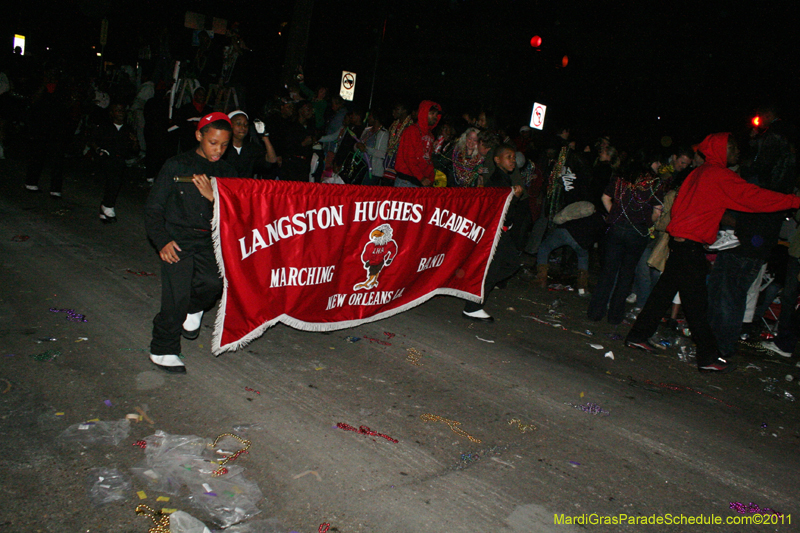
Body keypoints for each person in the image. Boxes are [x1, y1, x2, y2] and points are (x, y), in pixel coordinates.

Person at [624, 133, 800, 374]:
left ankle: (638, 335)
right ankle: (708, 356)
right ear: (721, 149)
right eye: (733, 148)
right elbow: (754, 199)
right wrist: (793, 201)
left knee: (662, 295)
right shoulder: (720, 175)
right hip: (690, 245)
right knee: (697, 305)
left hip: (680, 243)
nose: (737, 152)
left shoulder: (698, 173)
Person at [144, 112, 235, 373]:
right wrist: (162, 241)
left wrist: (213, 197)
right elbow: (153, 208)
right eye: (213, 143)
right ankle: (163, 348)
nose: (218, 150)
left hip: (209, 239)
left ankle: (194, 309)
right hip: (178, 238)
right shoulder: (176, 165)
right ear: (199, 136)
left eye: (224, 145)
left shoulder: (228, 171)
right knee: (176, 297)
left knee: (213, 284)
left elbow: (237, 214)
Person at [587, 151, 663, 324]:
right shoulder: (654, 183)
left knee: (608, 272)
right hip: (638, 233)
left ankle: (595, 312)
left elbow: (605, 198)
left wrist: (613, 215)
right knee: (626, 274)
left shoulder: (621, 177)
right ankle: (615, 317)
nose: (659, 166)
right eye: (657, 162)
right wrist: (647, 222)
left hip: (617, 228)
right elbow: (657, 210)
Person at [463, 144, 523, 322]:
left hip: (501, 231)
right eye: (508, 157)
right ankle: (472, 306)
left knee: (510, 264)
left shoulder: (504, 179)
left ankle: (475, 288)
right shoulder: (499, 181)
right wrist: (515, 197)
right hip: (496, 232)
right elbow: (502, 211)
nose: (513, 160)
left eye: (513, 157)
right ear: (497, 160)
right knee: (496, 269)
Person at [89, 102, 139, 223]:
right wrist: (98, 150)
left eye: (122, 110)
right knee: (112, 181)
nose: (121, 112)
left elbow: (135, 150)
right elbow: (92, 140)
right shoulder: (105, 126)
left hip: (120, 160)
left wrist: (134, 142)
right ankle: (108, 206)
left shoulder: (128, 129)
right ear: (112, 113)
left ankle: (105, 207)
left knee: (115, 182)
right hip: (106, 159)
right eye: (117, 110)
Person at [394, 100, 441, 188]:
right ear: (424, 113)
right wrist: (422, 178)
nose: (435, 117)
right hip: (407, 181)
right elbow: (409, 158)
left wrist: (430, 178)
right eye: (432, 113)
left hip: (421, 182)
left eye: (436, 114)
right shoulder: (411, 131)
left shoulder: (430, 135)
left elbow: (427, 160)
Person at [223, 110, 277, 178]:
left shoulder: (251, 148)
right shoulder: (223, 148)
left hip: (246, 187)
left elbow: (272, 160)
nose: (243, 127)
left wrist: (265, 136)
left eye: (246, 124)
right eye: (238, 123)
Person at [382, 102, 413, 184]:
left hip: (400, 166)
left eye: (397, 109)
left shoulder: (410, 126)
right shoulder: (394, 125)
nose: (394, 112)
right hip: (388, 162)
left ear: (404, 111)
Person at [356, 109, 389, 185]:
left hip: (372, 170)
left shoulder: (383, 133)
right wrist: (357, 146)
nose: (368, 118)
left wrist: (366, 149)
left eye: (370, 116)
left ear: (376, 118)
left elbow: (382, 154)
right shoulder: (367, 130)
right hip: (360, 167)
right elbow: (357, 145)